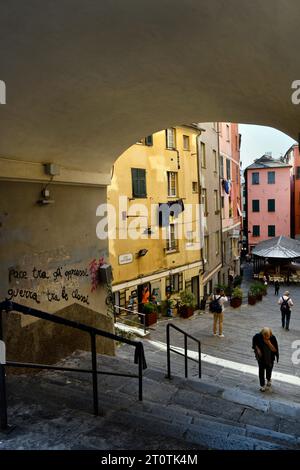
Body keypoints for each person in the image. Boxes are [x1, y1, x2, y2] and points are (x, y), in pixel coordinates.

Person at [252, 327, 279, 392]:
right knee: (261, 371)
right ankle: (262, 385)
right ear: (262, 334)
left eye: (268, 336)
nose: (266, 337)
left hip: (270, 359)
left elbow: (275, 350)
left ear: (270, 334)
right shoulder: (258, 336)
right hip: (261, 358)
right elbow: (254, 343)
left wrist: (268, 343)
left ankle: (268, 379)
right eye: (265, 336)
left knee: (269, 370)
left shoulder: (273, 338)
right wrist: (257, 349)